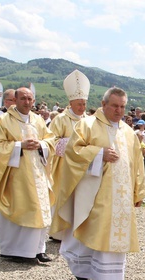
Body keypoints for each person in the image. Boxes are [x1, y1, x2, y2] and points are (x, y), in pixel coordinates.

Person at [50, 87, 145, 280]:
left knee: (116, 234)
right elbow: (73, 152)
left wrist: (139, 192)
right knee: (94, 230)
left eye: (122, 106)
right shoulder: (87, 125)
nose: (119, 111)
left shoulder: (128, 132)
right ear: (103, 105)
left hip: (122, 196)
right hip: (95, 192)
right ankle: (83, 270)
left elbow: (137, 164)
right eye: (114, 106)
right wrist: (98, 154)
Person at [0, 87, 55, 263]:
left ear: (33, 101)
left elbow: (50, 140)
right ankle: (17, 250)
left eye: (30, 99)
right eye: (23, 98)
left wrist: (41, 145)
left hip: (38, 173)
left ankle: (38, 249)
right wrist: (19, 146)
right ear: (15, 100)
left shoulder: (38, 120)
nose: (27, 102)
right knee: (24, 208)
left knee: (40, 209)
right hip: (17, 174)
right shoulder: (4, 120)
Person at [49, 70, 90, 200]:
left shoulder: (89, 121)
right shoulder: (60, 119)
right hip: (63, 168)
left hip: (84, 168)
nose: (82, 107)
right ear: (71, 103)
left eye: (84, 104)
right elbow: (50, 141)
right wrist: (72, 144)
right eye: (79, 104)